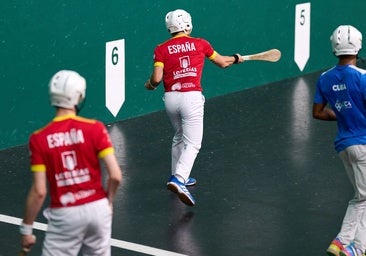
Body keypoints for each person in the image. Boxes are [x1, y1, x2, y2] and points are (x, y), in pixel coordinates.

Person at [145, 9, 244, 206]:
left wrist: (150, 85)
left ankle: (178, 174)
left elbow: (156, 78)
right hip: (191, 97)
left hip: (171, 98)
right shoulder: (201, 43)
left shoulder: (161, 48)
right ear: (188, 24)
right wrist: (235, 57)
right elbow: (223, 62)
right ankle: (179, 179)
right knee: (194, 143)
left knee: (179, 136)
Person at [19, 70, 122, 255]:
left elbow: (39, 191)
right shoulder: (95, 128)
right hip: (98, 208)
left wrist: (26, 230)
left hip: (65, 213)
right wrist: (109, 202)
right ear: (78, 96)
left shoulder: (39, 139)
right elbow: (115, 176)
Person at [312, 25, 366, 256]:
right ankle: (352, 245)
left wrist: (341, 113)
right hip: (363, 145)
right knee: (364, 199)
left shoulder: (324, 79)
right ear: (358, 45)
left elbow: (318, 112)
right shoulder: (363, 78)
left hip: (344, 146)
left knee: (361, 197)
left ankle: (347, 245)